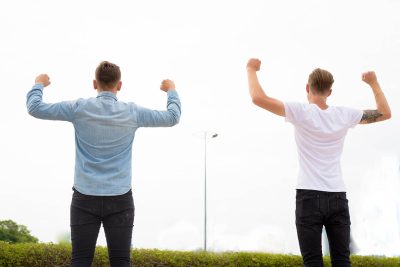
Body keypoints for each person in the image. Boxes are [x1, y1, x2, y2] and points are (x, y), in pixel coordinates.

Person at [26, 61, 181, 267]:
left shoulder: (79, 108)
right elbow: (172, 117)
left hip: (84, 196)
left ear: (94, 83)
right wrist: (171, 90)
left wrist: (39, 84)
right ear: (119, 85)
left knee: (80, 260)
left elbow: (35, 108)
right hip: (120, 199)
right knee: (120, 261)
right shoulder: (132, 112)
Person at [246, 58, 391, 267]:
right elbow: (385, 113)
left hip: (308, 197)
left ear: (307, 88)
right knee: (342, 261)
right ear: (330, 92)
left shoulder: (301, 112)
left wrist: (251, 69)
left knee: (313, 262)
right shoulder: (344, 114)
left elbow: (258, 98)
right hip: (337, 196)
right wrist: (373, 82)